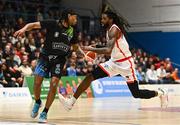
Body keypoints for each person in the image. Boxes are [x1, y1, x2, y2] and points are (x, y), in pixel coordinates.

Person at [58, 10, 168, 111]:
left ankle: (160, 93)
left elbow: (108, 50)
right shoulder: (109, 30)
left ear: (110, 19)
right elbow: (109, 47)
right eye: (101, 18)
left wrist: (90, 49)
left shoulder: (114, 29)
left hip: (126, 64)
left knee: (136, 93)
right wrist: (91, 47)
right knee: (90, 76)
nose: (101, 20)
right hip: (114, 62)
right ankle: (70, 102)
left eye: (104, 18)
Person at [14, 9, 82, 123]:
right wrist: (24, 28)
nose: (76, 20)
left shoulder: (73, 31)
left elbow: (75, 47)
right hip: (45, 58)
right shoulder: (53, 23)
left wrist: (84, 53)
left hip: (59, 60)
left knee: (54, 84)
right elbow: (34, 25)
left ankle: (45, 112)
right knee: (37, 83)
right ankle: (37, 101)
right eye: (74, 18)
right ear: (69, 16)